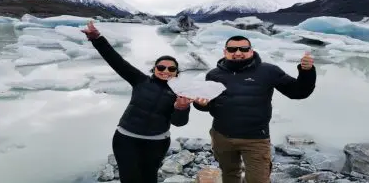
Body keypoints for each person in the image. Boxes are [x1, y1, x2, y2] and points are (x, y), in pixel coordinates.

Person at [193, 35, 316, 183]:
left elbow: (298, 92)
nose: (238, 53)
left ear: (251, 51)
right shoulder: (214, 75)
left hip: (256, 139)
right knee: (229, 174)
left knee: (258, 179)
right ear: (224, 52)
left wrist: (306, 72)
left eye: (243, 49)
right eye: (232, 49)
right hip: (221, 136)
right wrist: (200, 104)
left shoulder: (269, 71)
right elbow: (209, 105)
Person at [81, 21, 192, 183]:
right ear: (154, 69)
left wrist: (181, 108)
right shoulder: (140, 80)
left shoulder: (181, 93)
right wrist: (97, 39)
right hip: (126, 139)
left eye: (171, 69)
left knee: (149, 177)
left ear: (176, 72)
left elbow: (179, 123)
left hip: (157, 143)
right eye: (161, 67)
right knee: (129, 178)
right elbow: (117, 61)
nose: (165, 71)